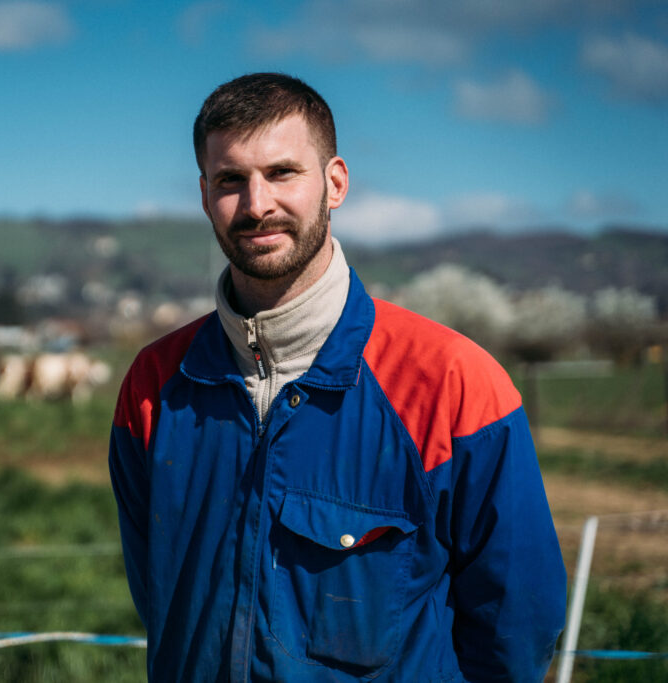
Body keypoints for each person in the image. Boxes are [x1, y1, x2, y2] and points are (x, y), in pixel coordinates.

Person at [108, 72, 566, 682]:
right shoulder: (155, 386)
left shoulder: (453, 385)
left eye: (282, 173)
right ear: (202, 194)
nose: (256, 204)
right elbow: (160, 598)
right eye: (230, 181)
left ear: (335, 182)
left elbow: (516, 627)